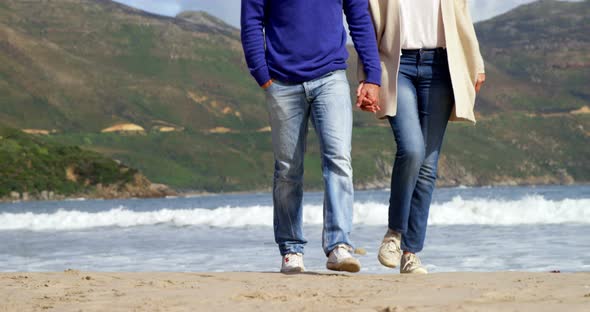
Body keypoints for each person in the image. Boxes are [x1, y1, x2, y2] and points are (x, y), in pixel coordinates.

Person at [241, 0, 381, 273]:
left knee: (339, 159)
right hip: (281, 82)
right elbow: (251, 23)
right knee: (287, 170)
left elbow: (359, 18)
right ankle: (291, 249)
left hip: (330, 77)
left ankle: (339, 246)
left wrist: (373, 75)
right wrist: (262, 74)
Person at [357, 0, 486, 274]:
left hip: (440, 66)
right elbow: (368, 24)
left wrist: (476, 63)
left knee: (427, 166)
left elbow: (461, 16)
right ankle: (394, 234)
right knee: (412, 149)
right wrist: (368, 76)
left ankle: (411, 253)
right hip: (397, 66)